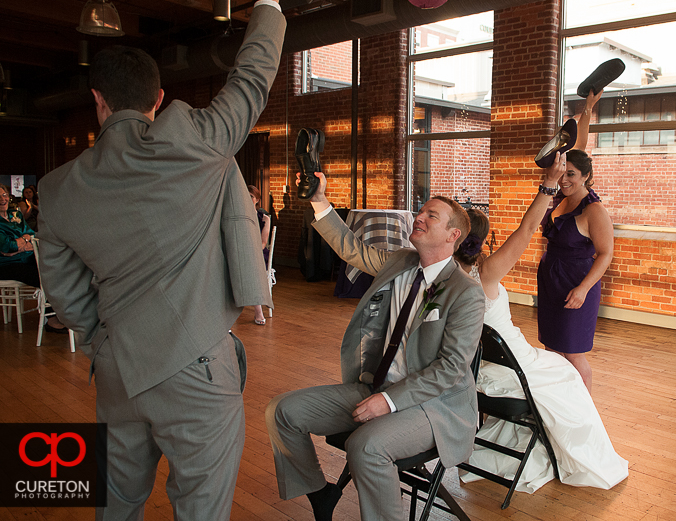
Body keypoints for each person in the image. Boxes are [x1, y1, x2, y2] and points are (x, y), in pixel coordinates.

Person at [35, 0, 291, 520]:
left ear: (96, 102)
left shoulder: (55, 191)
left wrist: (106, 341)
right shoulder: (195, 140)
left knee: (117, 505)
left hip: (118, 372)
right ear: (156, 100)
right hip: (197, 369)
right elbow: (251, 82)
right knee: (200, 509)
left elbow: (67, 293)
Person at [265, 172, 484, 521]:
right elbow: (351, 248)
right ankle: (320, 493)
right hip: (376, 387)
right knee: (282, 411)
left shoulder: (465, 293)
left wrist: (390, 400)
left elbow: (451, 369)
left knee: (364, 447)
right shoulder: (399, 262)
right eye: (421, 211)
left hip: (435, 408)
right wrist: (319, 199)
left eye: (432, 216)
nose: (420, 217)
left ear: (453, 235)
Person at [451, 156, 628, 493]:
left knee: (567, 361)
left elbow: (603, 251)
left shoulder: (445, 273)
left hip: (477, 368)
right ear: (483, 241)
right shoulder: (487, 274)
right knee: (566, 375)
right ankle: (571, 451)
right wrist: (549, 185)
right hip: (513, 364)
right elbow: (527, 229)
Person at [537, 90, 613, 392]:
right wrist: (588, 109)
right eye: (561, 172)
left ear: (586, 176)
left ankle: (584, 417)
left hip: (576, 283)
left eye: (571, 174)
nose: (563, 178)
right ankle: (558, 407)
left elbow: (606, 254)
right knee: (552, 351)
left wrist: (584, 288)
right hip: (551, 280)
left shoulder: (593, 210)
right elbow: (577, 145)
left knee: (573, 353)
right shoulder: (557, 197)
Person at [0, 183, 37, 286]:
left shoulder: (16, 214)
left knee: (53, 268)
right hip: (7, 264)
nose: (2, 199)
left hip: (28, 258)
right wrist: (25, 243)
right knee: (38, 276)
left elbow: (31, 234)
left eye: (4, 195)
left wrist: (20, 244)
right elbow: (7, 247)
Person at [248, 184, 271, 325]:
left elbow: (263, 242)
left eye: (251, 196)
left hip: (258, 252)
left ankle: (258, 311)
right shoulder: (237, 216)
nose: (247, 199)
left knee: (252, 269)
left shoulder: (264, 218)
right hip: (241, 252)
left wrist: (250, 250)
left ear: (257, 199)